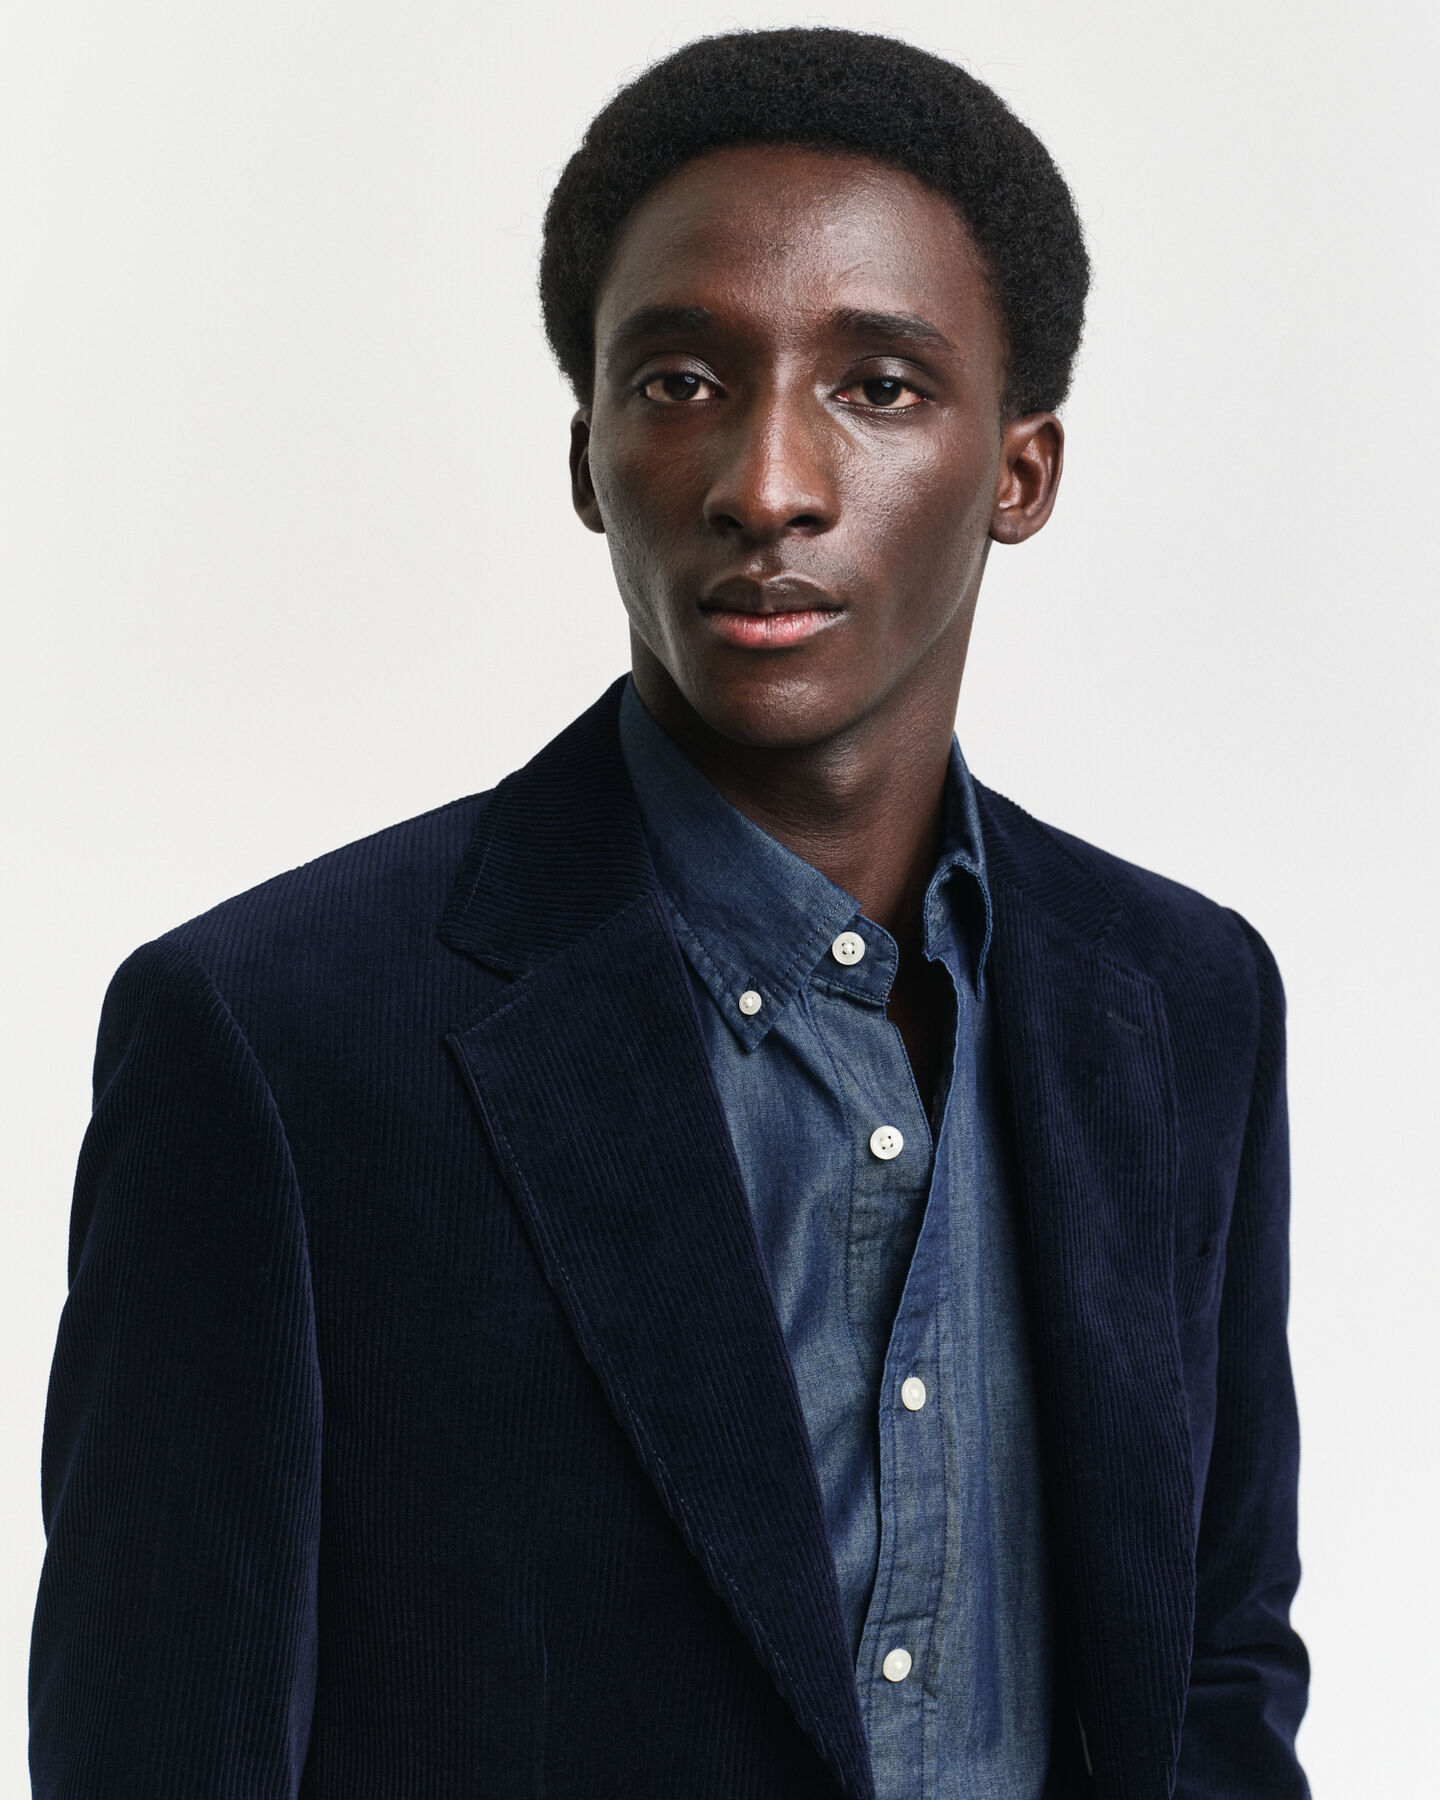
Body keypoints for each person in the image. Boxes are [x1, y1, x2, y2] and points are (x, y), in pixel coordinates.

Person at [28, 27, 1308, 1800]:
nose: (765, 483)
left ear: (1020, 473)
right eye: (684, 379)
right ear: (589, 458)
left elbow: (1216, 1671)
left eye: (879, 386)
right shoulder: (277, 1041)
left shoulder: (1182, 998)